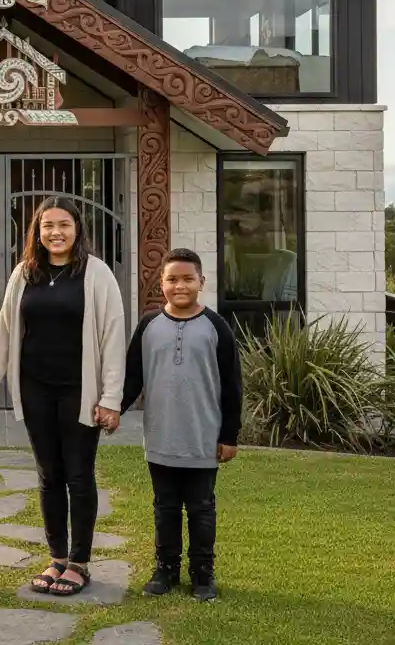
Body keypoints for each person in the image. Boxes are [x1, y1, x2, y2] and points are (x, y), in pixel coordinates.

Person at [0, 196, 126, 597]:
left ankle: (80, 562)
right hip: (36, 389)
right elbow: (3, 333)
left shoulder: (96, 273)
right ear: (37, 231)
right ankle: (57, 559)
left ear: (77, 229)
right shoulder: (24, 273)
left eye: (63, 224)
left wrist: (111, 398)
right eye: (47, 225)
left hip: (79, 391)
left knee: (79, 474)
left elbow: (114, 336)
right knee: (49, 476)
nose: (55, 232)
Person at [121, 246, 242, 603]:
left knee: (202, 508)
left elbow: (233, 386)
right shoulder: (148, 326)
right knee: (165, 507)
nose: (180, 286)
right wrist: (113, 410)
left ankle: (203, 575)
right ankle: (165, 570)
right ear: (162, 283)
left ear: (201, 282)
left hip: (203, 439)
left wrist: (229, 435)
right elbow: (132, 378)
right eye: (172, 279)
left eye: (188, 279)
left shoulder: (217, 327)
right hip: (160, 438)